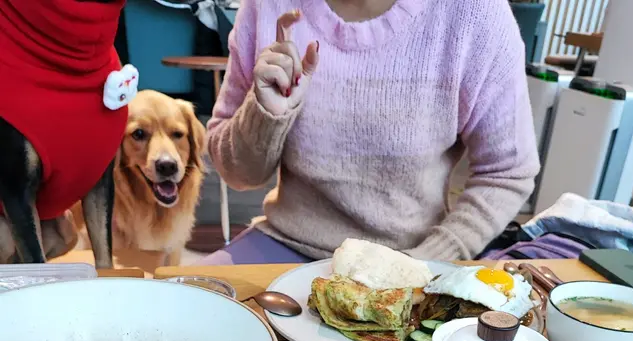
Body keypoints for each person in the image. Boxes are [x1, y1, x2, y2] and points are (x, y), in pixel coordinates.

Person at [204, 0, 539, 265]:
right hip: (285, 244)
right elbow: (237, 174)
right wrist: (264, 115)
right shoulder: (267, 7)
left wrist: (431, 259)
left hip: (409, 259)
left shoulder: (475, 14)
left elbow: (508, 172)